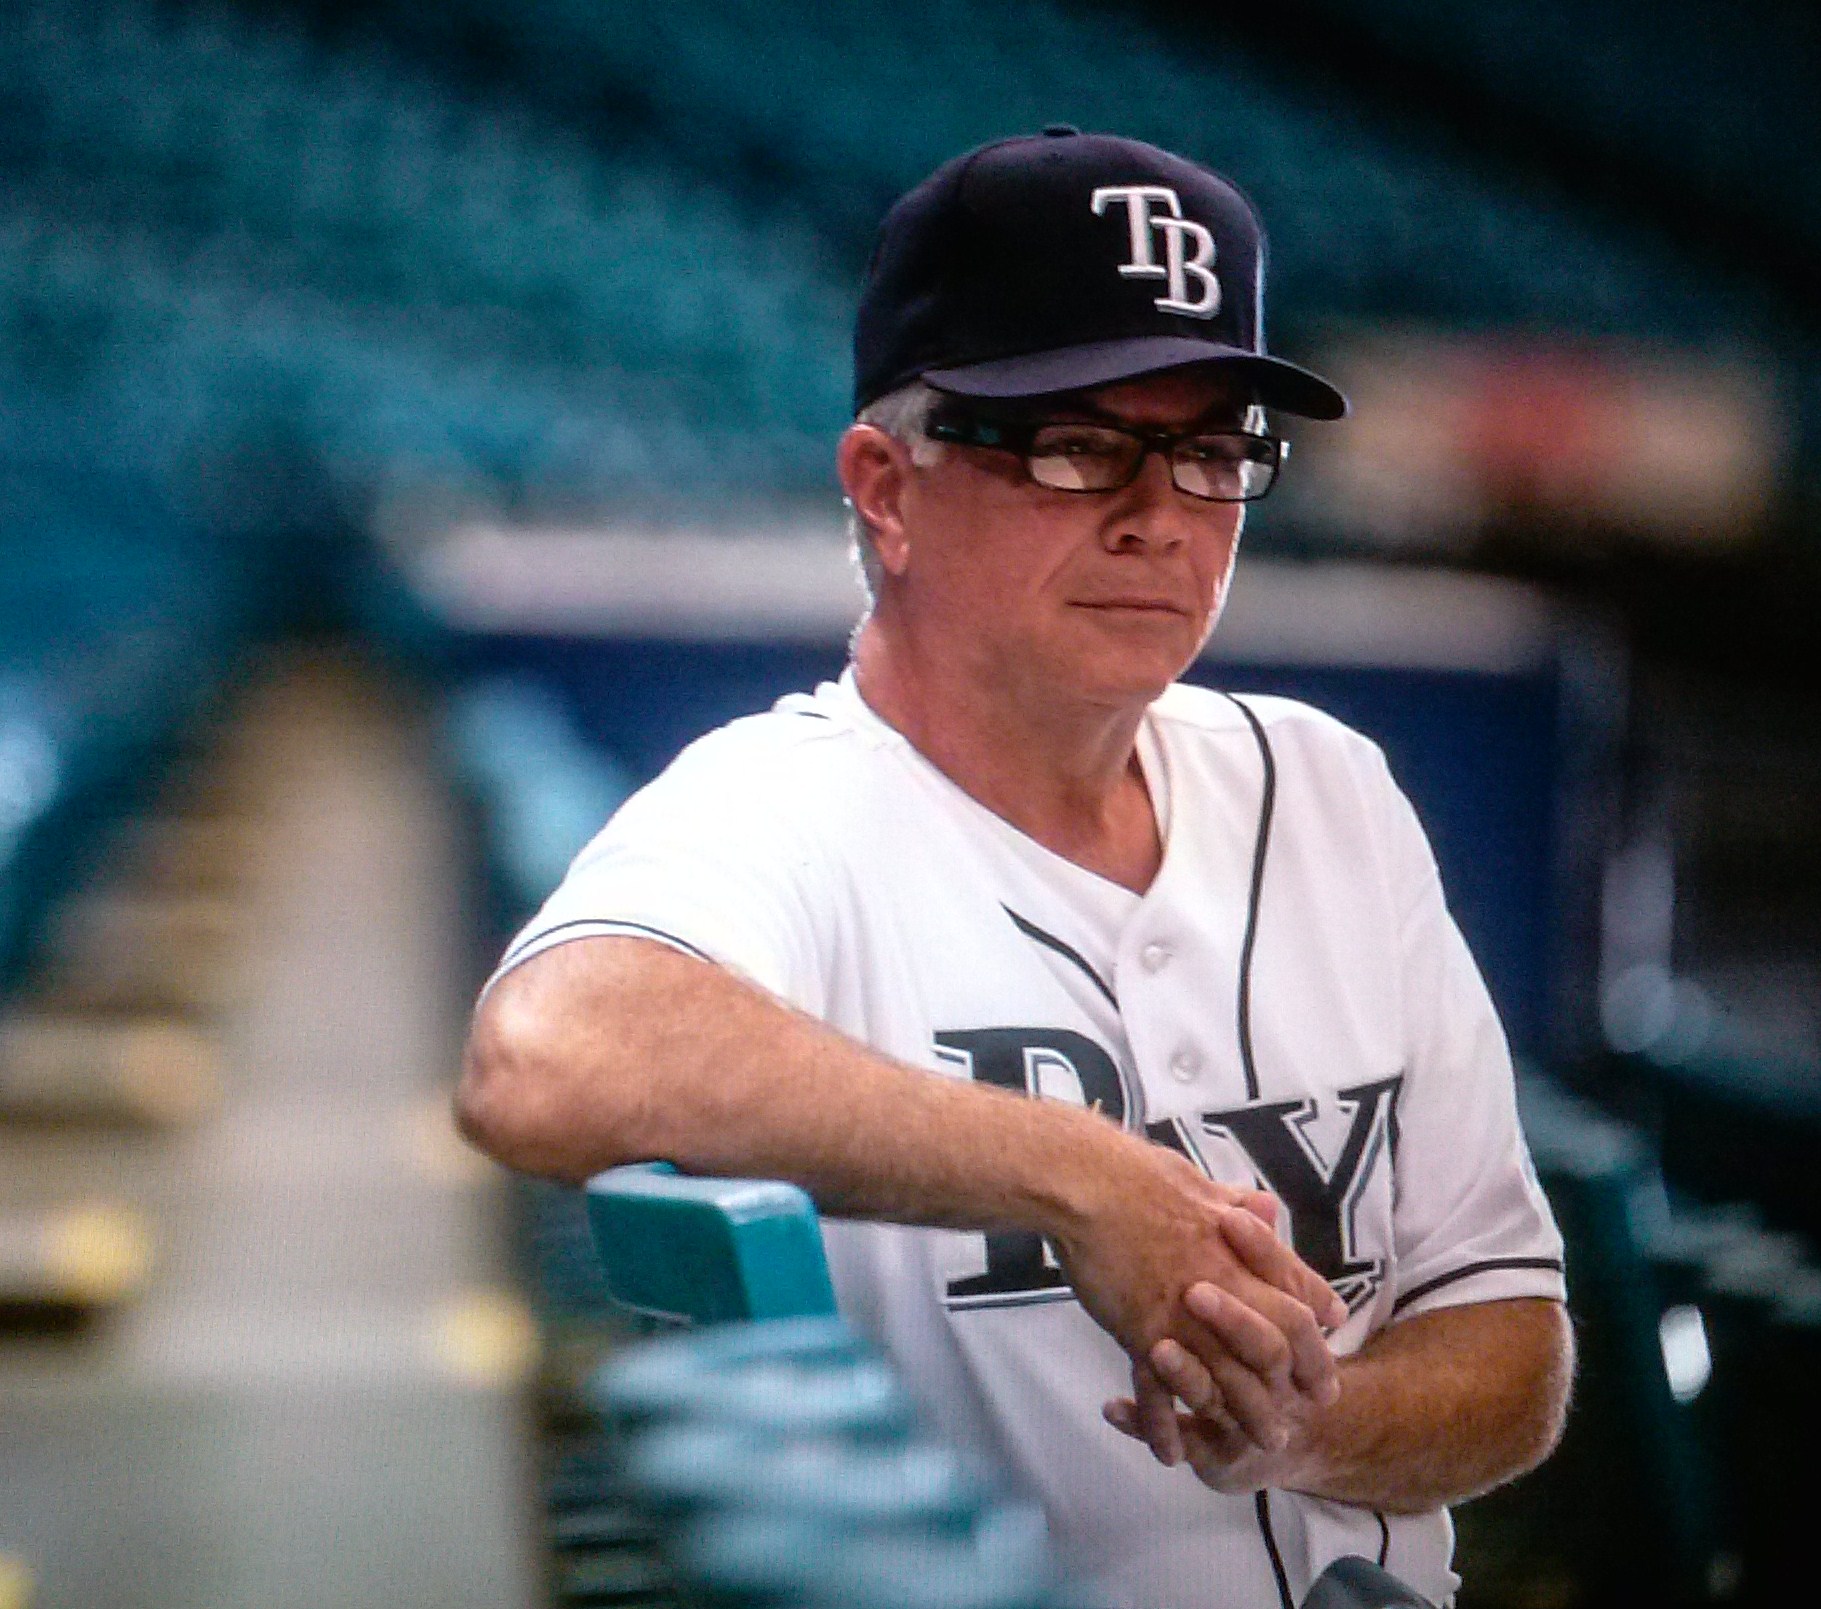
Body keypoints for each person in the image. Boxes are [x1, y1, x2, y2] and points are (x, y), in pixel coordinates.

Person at [456, 128, 1572, 1609]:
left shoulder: (1331, 787)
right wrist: (1086, 1178)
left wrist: (1319, 1422)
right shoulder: (780, 805)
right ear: (885, 486)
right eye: (1077, 442)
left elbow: (1513, 1345)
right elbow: (540, 1059)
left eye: (1209, 450)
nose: (1158, 512)